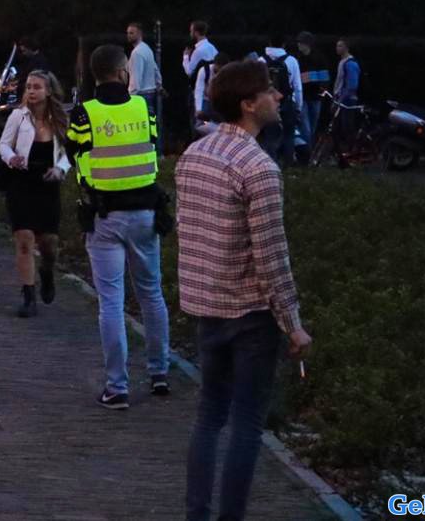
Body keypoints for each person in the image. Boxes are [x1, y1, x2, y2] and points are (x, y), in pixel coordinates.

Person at [177, 61, 313, 521]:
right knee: (247, 423)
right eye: (270, 91)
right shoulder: (260, 169)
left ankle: (197, 512)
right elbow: (273, 256)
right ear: (248, 104)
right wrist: (293, 325)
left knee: (209, 414)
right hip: (251, 314)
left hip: (206, 308)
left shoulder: (193, 156)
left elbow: (188, 231)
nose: (278, 96)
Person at [66, 44, 170, 410]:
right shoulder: (143, 108)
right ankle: (160, 374)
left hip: (104, 217)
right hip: (145, 213)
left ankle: (117, 387)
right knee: (151, 294)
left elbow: (75, 156)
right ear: (124, 71)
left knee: (111, 302)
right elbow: (154, 145)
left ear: (95, 74)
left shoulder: (83, 115)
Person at [0, 70, 71, 318]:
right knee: (25, 239)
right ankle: (28, 295)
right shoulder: (18, 116)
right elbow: (3, 143)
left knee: (49, 243)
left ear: (48, 91)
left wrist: (60, 169)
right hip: (21, 181)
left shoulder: (60, 119)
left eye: (37, 87)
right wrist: (11, 158)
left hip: (47, 184)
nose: (31, 91)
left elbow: (69, 153)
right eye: (28, 86)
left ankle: (47, 272)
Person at [260, 34, 303, 167]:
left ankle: (270, 167)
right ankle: (289, 168)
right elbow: (297, 87)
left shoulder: (261, 61)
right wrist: (298, 107)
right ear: (284, 44)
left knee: (269, 137)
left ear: (269, 42)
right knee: (289, 136)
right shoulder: (292, 61)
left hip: (267, 104)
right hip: (287, 102)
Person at [295, 32, 331, 144]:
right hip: (303, 97)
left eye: (300, 42)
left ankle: (308, 151)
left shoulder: (319, 58)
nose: (298, 45)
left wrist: (307, 77)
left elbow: (324, 77)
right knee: (306, 127)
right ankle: (307, 154)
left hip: (316, 97)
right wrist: (311, 77)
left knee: (312, 126)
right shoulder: (297, 58)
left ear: (307, 44)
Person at [183, 21, 219, 126]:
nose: (190, 34)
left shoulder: (198, 51)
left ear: (196, 33)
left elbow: (189, 71)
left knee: (197, 124)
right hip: (212, 91)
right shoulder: (213, 48)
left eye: (191, 31)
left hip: (198, 91)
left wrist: (185, 57)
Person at [127, 22, 162, 119]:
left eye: (132, 33)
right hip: (150, 93)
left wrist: (130, 96)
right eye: (128, 33)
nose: (128, 36)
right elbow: (155, 70)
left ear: (139, 34)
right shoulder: (147, 49)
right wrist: (159, 84)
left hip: (141, 95)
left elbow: (136, 78)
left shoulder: (137, 53)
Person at [333, 37, 360, 105]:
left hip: (347, 99)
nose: (337, 48)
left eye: (340, 46)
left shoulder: (350, 63)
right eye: (337, 46)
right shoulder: (341, 62)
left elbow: (352, 85)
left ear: (346, 48)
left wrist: (342, 98)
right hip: (338, 97)